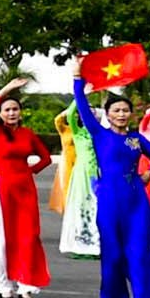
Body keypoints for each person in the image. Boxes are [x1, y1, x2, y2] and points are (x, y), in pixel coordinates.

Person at [71, 72, 150, 298]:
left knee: (139, 255)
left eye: (125, 110)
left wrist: (149, 174)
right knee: (112, 258)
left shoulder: (136, 139)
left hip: (137, 203)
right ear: (108, 113)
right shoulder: (99, 134)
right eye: (117, 110)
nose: (122, 114)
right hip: (109, 204)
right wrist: (78, 77)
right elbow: (80, 102)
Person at [0, 79, 54, 298]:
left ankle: (26, 286)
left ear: (20, 112)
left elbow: (46, 158)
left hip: (25, 189)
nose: (11, 113)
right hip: (2, 188)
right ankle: (3, 286)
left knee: (28, 236)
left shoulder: (28, 134)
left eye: (15, 109)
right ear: (0, 114)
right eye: (7, 110)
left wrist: (30, 171)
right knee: (0, 237)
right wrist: (7, 90)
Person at [53, 103, 100, 260]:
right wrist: (80, 95)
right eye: (86, 113)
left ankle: (97, 244)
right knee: (80, 208)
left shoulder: (101, 134)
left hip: (98, 175)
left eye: (93, 113)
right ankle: (80, 243)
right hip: (80, 174)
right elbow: (69, 114)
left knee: (97, 209)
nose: (90, 115)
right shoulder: (77, 132)